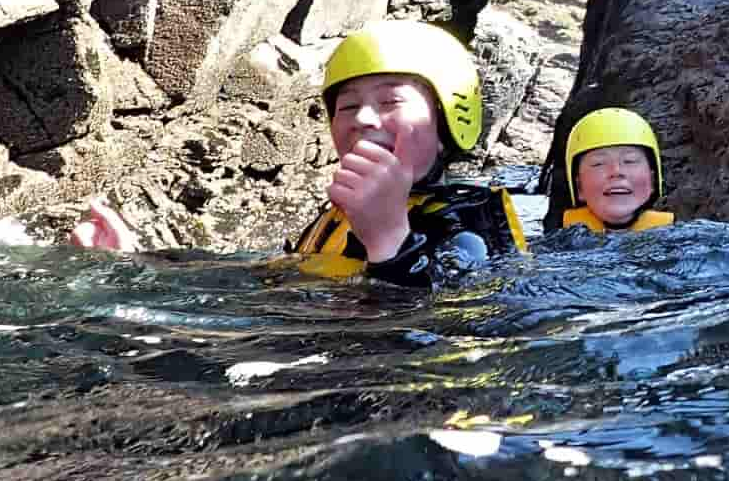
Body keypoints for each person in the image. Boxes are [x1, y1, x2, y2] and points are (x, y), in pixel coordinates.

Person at [71, 20, 526, 286]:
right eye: (347, 106)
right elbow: (262, 277)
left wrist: (389, 238)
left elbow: (456, 318)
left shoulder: (471, 218)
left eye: (390, 102)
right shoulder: (334, 217)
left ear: (449, 123)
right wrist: (139, 267)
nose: (363, 119)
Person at [556, 106, 674, 233]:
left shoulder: (678, 238)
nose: (616, 171)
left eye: (630, 161)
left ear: (652, 180)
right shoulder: (556, 245)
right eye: (598, 164)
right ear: (579, 187)